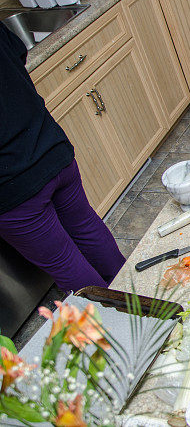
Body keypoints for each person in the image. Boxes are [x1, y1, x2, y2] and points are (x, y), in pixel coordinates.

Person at [0, 23, 125, 292]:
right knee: (87, 226)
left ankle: (124, 326)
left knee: (63, 260)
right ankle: (143, 299)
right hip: (50, 146)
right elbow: (16, 53)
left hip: (13, 182)